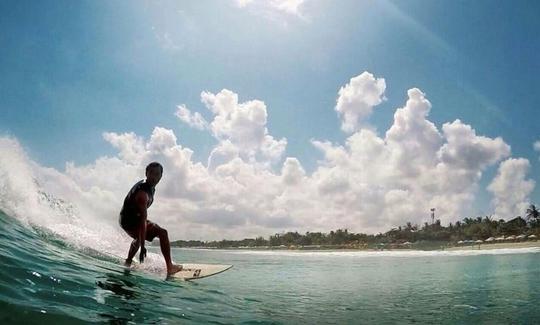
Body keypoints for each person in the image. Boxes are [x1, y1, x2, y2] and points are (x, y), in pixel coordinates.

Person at [119, 162, 182, 275]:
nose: (154, 177)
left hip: (133, 218)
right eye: (151, 173)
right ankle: (170, 268)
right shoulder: (143, 194)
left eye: (157, 174)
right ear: (146, 173)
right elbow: (143, 220)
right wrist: (143, 246)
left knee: (147, 234)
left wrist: (141, 240)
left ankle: (128, 262)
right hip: (128, 221)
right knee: (159, 233)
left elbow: (142, 220)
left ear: (161, 176)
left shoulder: (151, 188)